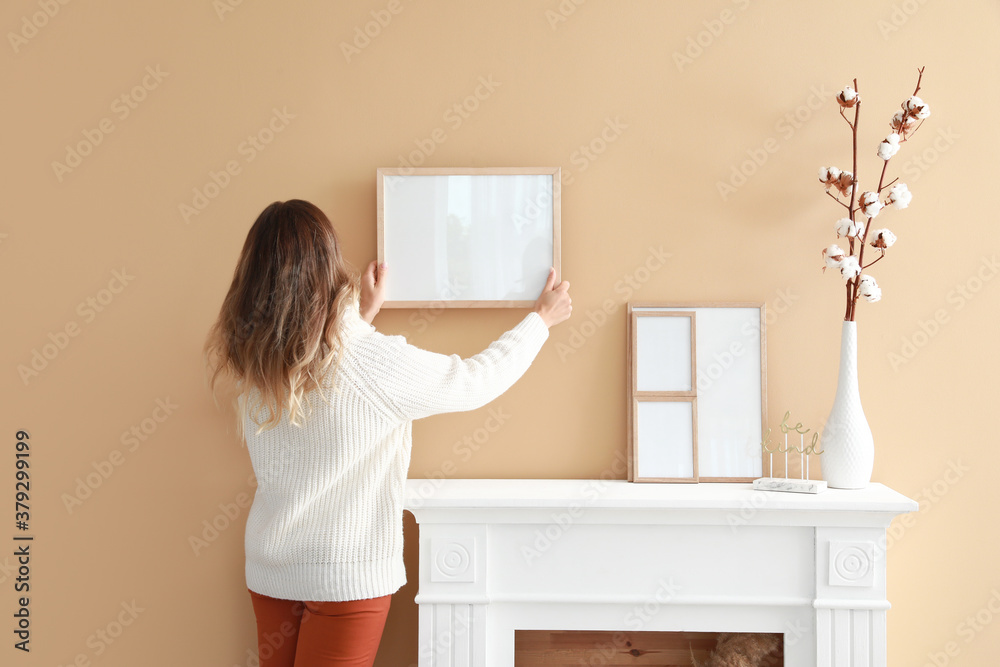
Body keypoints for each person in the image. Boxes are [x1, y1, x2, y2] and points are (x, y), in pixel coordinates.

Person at [203, 199, 571, 666]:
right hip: (345, 580)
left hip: (271, 572)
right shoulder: (371, 363)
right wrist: (541, 320)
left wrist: (362, 314)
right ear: (328, 266)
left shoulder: (256, 362)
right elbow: (476, 380)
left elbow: (320, 371)